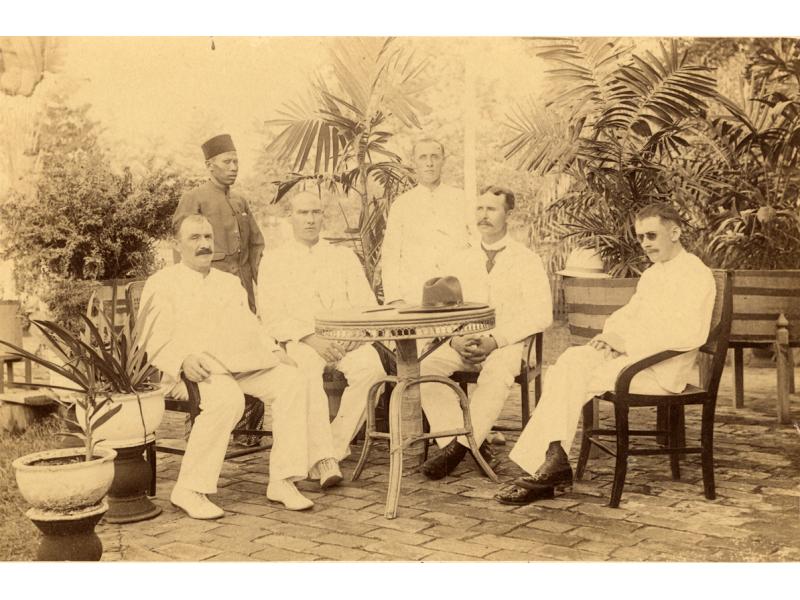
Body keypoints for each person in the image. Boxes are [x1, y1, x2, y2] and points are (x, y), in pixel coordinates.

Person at [496, 204, 716, 505]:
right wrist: (609, 337)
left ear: (675, 232)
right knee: (570, 361)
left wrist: (626, 344)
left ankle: (548, 467)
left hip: (662, 369)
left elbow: (687, 334)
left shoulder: (696, 275)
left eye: (651, 235)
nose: (645, 243)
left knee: (572, 375)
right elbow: (630, 314)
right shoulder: (655, 274)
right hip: (636, 358)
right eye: (641, 237)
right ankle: (553, 457)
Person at [139, 214, 341, 517]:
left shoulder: (229, 283)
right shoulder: (162, 284)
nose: (204, 244)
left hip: (239, 364)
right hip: (193, 370)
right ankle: (189, 489)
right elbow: (151, 336)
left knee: (292, 380)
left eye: (207, 237)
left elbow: (252, 327)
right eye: (194, 238)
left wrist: (274, 350)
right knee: (227, 398)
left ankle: (283, 480)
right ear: (176, 244)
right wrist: (182, 360)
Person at [418, 186, 553, 479]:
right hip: (463, 343)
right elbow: (442, 309)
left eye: (491, 209)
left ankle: (459, 449)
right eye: (479, 209)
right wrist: (455, 338)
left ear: (508, 214)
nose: (484, 215)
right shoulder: (459, 258)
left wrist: (496, 341)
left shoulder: (526, 259)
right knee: (425, 369)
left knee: (498, 370)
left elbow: (542, 314)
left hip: (507, 344)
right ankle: (462, 444)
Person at [259, 191, 387, 463]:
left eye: (315, 213)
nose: (310, 220)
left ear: (323, 217)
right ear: (290, 217)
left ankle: (333, 446)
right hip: (302, 341)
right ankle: (321, 454)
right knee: (303, 374)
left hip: (346, 339)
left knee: (372, 370)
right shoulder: (274, 260)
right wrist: (310, 338)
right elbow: (271, 315)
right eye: (302, 213)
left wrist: (356, 335)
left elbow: (365, 304)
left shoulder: (342, 256)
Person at [172, 133, 265, 313]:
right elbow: (183, 247)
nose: (233, 168)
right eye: (227, 162)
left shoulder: (240, 201)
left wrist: (265, 284)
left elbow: (256, 246)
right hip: (209, 290)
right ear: (209, 166)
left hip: (243, 290)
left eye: (236, 162)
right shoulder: (194, 198)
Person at [381, 137, 474, 305]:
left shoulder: (461, 199)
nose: (429, 163)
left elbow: (475, 245)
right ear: (414, 162)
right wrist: (395, 298)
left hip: (458, 294)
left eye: (435, 157)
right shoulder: (401, 205)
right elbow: (390, 256)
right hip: (414, 296)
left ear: (443, 161)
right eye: (423, 157)